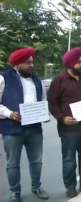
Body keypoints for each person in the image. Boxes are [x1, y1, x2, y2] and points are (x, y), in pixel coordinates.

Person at [47, 47, 81, 198]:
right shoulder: (59, 81)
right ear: (70, 64)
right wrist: (62, 118)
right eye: (79, 62)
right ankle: (70, 187)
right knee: (69, 159)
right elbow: (52, 103)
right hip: (69, 130)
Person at [0, 48, 49, 202]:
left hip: (34, 128)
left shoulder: (36, 80)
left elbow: (42, 100)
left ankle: (37, 187)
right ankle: (15, 192)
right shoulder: (4, 78)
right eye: (28, 63)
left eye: (32, 62)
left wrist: (44, 113)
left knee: (36, 161)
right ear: (17, 64)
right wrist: (10, 114)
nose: (32, 65)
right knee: (12, 163)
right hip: (12, 129)